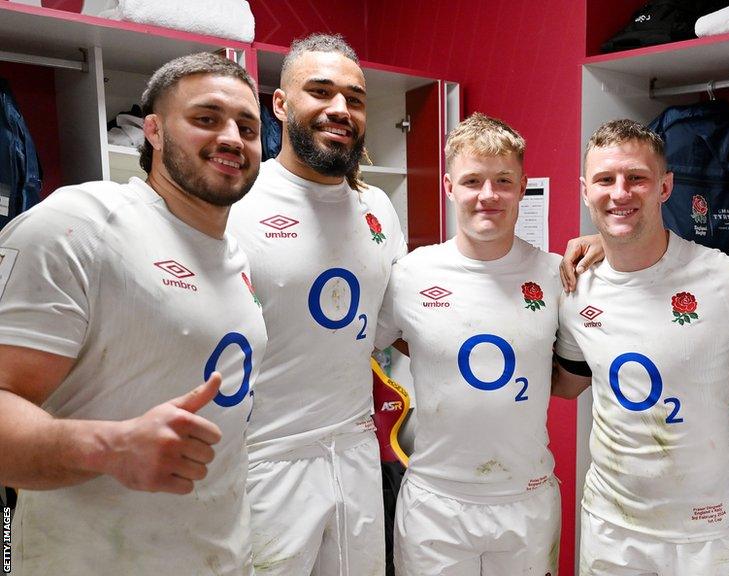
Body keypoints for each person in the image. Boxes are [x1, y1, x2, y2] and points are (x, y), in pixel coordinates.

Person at [0, 52, 266, 575]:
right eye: (206, 119)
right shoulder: (80, 225)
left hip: (217, 557)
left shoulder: (234, 253)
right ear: (154, 131)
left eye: (248, 126)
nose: (233, 137)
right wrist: (109, 447)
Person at [552, 119, 729, 576]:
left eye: (636, 178)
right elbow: (566, 384)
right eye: (605, 180)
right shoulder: (576, 287)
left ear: (665, 186)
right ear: (584, 190)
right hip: (611, 527)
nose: (620, 193)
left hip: (704, 534)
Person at [228, 34, 405, 576]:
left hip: (355, 447)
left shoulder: (376, 208)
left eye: (353, 98)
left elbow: (396, 321)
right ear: (280, 105)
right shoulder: (236, 202)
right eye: (320, 92)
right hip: (265, 457)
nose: (339, 109)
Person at [374, 112, 562, 576]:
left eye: (503, 180)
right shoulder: (411, 274)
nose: (488, 195)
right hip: (436, 502)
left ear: (522, 186)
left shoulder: (557, 273)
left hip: (526, 496)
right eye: (473, 180)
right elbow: (376, 341)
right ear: (449, 186)